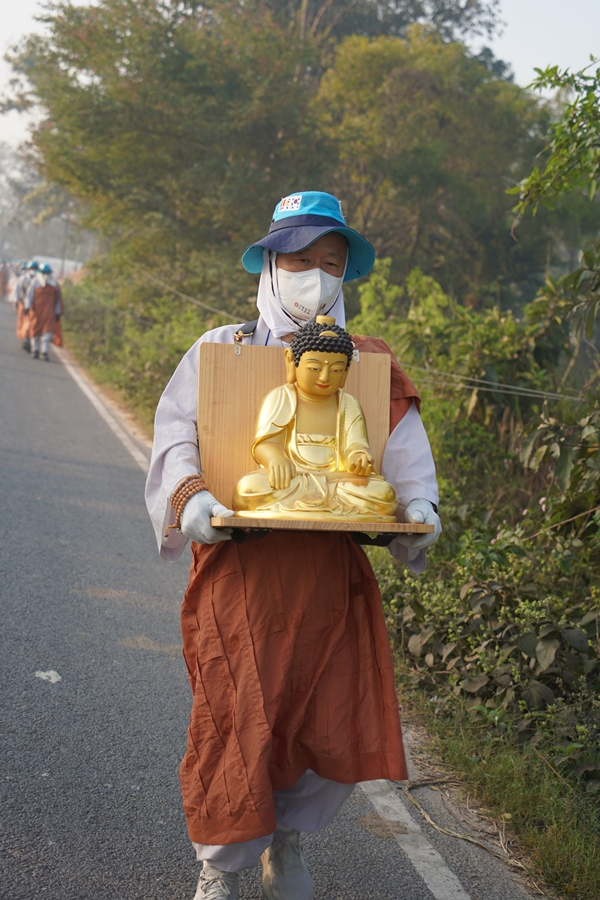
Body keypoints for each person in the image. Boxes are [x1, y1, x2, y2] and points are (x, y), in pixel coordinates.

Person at [145, 191, 441, 900]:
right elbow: (178, 432)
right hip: (243, 573)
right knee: (237, 710)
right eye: (302, 260)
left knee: (319, 712)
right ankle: (218, 868)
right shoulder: (225, 350)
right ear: (271, 266)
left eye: (331, 263)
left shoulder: (366, 365)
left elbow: (397, 451)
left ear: (346, 277)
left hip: (327, 578)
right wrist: (192, 497)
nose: (317, 276)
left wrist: (418, 503)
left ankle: (286, 838)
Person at [25, 263, 63, 361]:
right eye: (44, 272)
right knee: (35, 332)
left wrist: (57, 312)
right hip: (36, 313)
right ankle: (35, 351)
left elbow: (58, 300)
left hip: (49, 313)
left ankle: (45, 352)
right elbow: (29, 296)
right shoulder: (35, 282)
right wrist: (27, 307)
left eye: (47, 273)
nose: (45, 275)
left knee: (47, 333)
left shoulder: (55, 284)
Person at [15, 261, 38, 352]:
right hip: (22, 303)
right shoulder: (23, 279)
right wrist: (17, 302)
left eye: (35, 269)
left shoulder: (38, 280)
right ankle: (26, 339)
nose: (33, 271)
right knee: (22, 322)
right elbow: (18, 292)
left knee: (30, 323)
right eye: (32, 269)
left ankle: (28, 341)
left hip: (33, 305)